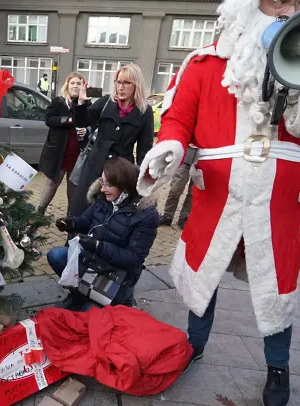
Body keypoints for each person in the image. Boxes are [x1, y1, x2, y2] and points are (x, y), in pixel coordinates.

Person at [137, 0, 300, 406]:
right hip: (217, 198)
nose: (287, 10)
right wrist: (170, 147)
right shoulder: (204, 63)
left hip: (276, 204)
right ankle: (194, 345)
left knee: (277, 286)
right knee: (205, 277)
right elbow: (178, 117)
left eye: (299, 0)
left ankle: (278, 367)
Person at [48, 158, 159, 310]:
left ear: (124, 185)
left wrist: (98, 246)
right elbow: (86, 221)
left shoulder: (146, 215)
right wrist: (72, 223)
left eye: (109, 184)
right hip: (92, 262)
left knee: (90, 316)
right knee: (56, 255)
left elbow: (134, 258)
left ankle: (123, 300)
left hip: (116, 274)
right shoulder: (104, 199)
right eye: (102, 182)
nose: (102, 189)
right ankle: (78, 293)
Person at [69, 63, 154, 218]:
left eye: (127, 83)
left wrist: (143, 179)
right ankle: (74, 240)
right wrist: (80, 103)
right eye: (118, 82)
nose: (121, 87)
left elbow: (144, 149)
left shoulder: (145, 111)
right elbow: (81, 121)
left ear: (136, 85)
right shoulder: (106, 102)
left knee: (110, 214)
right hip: (95, 165)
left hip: (120, 169)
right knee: (82, 208)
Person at [37, 72, 89, 215]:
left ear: (83, 86)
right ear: (67, 85)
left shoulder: (86, 104)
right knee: (53, 183)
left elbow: (91, 124)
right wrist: (68, 120)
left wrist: (86, 129)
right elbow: (48, 119)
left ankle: (70, 219)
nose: (75, 86)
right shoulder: (58, 102)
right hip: (59, 152)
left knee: (73, 188)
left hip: (77, 153)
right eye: (72, 83)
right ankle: (40, 212)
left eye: (79, 83)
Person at [158, 146, 198, 228]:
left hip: (202, 160)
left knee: (193, 192)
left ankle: (184, 217)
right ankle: (167, 215)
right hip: (185, 156)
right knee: (175, 189)